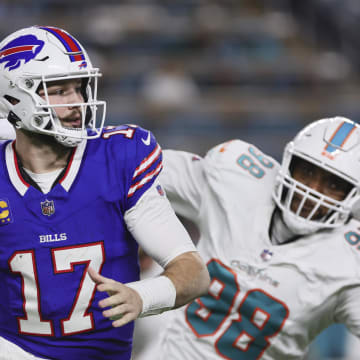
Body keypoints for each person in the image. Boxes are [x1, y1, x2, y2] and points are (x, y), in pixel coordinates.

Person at [0, 26, 210, 360]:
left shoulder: (118, 159)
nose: (77, 103)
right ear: (14, 97)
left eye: (79, 88)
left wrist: (143, 296)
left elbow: (193, 272)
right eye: (58, 90)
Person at [158, 116, 360, 359]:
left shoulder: (349, 261)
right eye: (307, 171)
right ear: (288, 163)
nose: (312, 191)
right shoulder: (237, 181)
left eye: (334, 185)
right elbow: (138, 171)